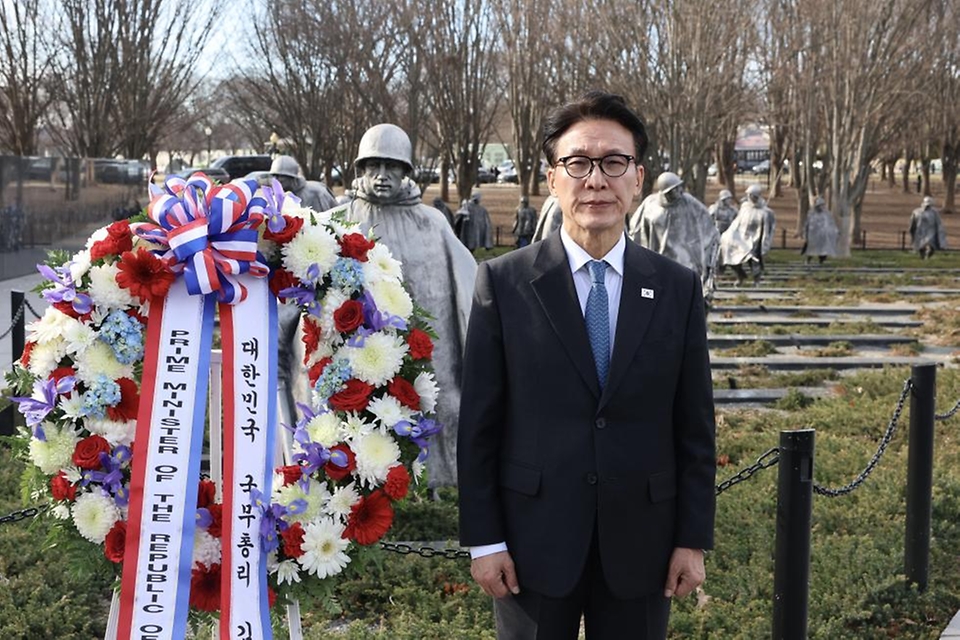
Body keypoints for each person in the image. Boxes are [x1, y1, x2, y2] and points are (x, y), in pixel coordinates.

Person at [457, 90, 716, 640]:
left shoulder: (676, 288)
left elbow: (694, 425)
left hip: (644, 544)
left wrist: (692, 539)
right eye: (578, 163)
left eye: (614, 162)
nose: (596, 180)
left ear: (638, 178)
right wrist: (485, 541)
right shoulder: (503, 284)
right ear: (552, 179)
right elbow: (479, 424)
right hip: (530, 543)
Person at [345, 123, 478, 487]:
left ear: (406, 171)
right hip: (365, 347)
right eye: (374, 166)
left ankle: (439, 479)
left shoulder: (432, 222)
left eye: (392, 166)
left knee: (443, 404)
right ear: (361, 169)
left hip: (432, 345)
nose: (382, 175)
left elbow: (466, 281)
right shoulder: (344, 219)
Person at [628, 172, 720, 305]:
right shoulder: (650, 205)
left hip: (685, 256)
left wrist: (712, 240)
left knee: (685, 291)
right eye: (673, 190)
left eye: (678, 187)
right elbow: (637, 230)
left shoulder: (689, 202)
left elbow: (707, 224)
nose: (678, 192)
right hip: (659, 257)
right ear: (665, 192)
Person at [718, 183, 776, 286]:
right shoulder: (744, 208)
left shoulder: (765, 213)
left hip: (754, 240)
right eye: (748, 195)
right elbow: (736, 223)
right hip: (740, 238)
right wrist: (727, 235)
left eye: (752, 195)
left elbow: (768, 231)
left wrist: (765, 246)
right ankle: (740, 275)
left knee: (753, 257)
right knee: (726, 250)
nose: (749, 197)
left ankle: (757, 280)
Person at [269, 155, 338, 212]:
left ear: (291, 177)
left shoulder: (316, 192)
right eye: (274, 176)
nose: (275, 179)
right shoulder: (279, 196)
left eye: (279, 176)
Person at [801, 196, 839, 264]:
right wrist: (806, 233)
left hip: (822, 235)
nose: (822, 207)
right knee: (811, 248)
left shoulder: (826, 214)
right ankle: (808, 260)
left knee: (823, 249)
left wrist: (834, 230)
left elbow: (830, 223)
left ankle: (821, 260)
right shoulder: (811, 213)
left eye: (822, 205)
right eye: (820, 205)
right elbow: (808, 224)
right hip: (814, 234)